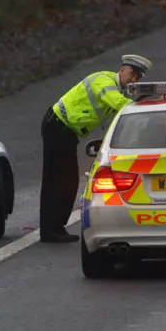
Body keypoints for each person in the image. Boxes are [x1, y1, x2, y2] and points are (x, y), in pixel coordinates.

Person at [39, 54, 153, 243]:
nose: (133, 80)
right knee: (61, 180)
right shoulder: (104, 81)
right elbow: (118, 104)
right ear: (123, 69)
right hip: (59, 126)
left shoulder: (116, 88)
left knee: (59, 179)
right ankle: (52, 230)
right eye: (132, 74)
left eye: (137, 77)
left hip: (64, 129)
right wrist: (141, 107)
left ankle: (52, 228)